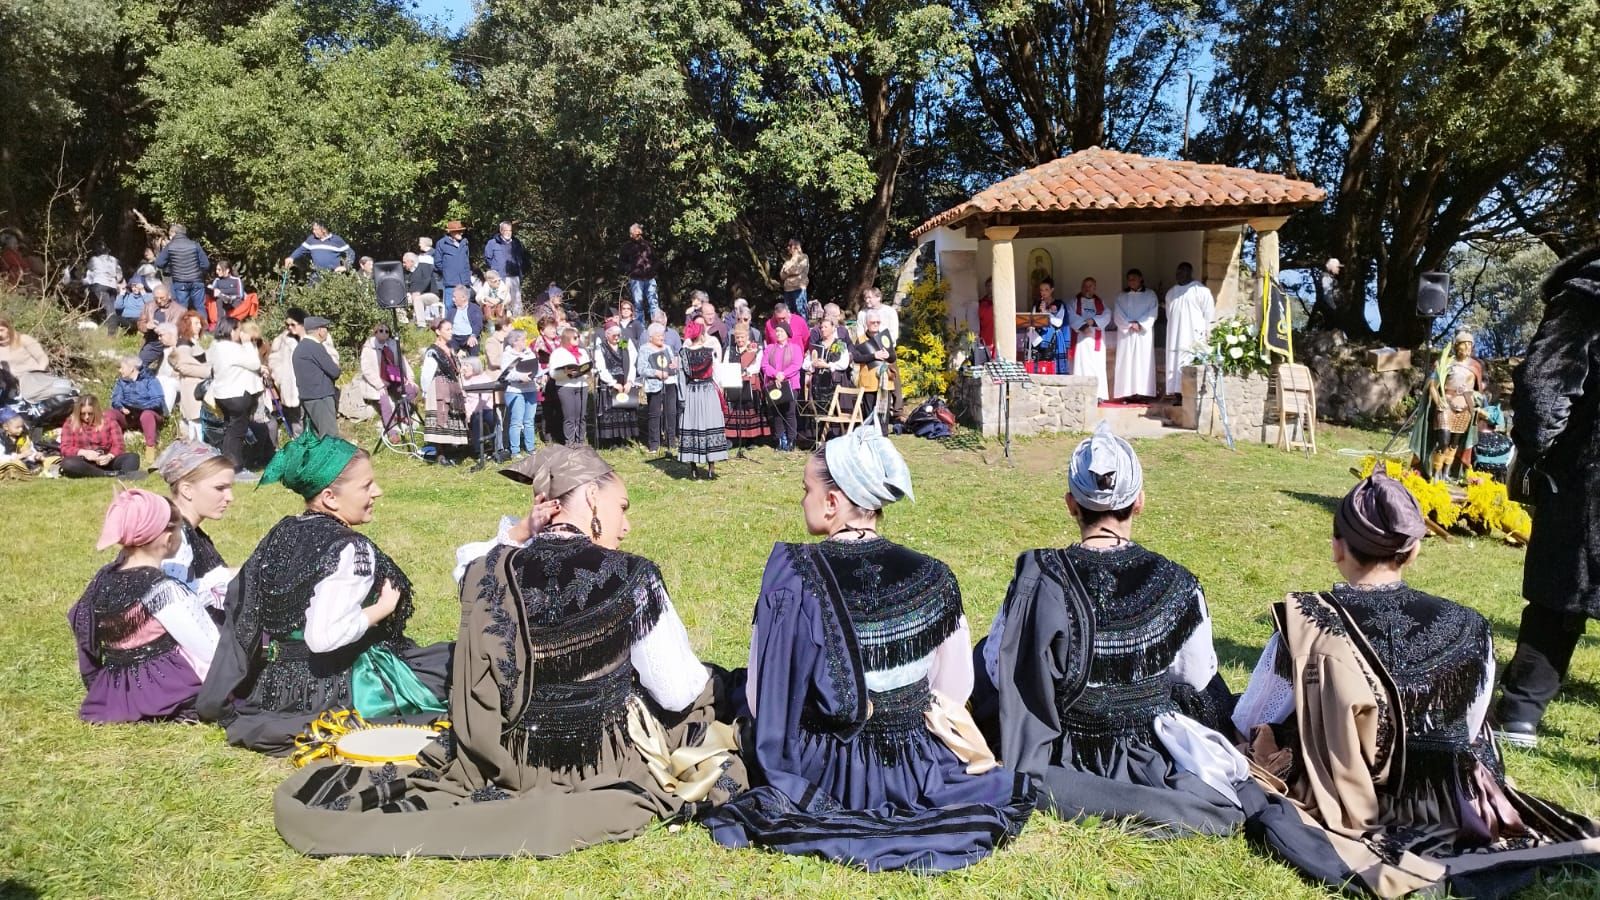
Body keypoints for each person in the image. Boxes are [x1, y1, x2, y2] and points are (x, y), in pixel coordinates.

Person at [273, 445, 745, 856]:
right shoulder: (634, 575)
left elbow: (470, 560)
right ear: (593, 498)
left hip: (505, 758)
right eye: (622, 506)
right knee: (706, 693)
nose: (625, 524)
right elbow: (678, 692)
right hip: (601, 760)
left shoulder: (485, 572)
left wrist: (519, 531)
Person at [1234, 474, 1600, 898]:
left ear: (1337, 547)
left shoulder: (1307, 625)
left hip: (1357, 798)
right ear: (1413, 550)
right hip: (1460, 801)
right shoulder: (1473, 625)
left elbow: (1251, 717)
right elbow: (1473, 722)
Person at [705, 426, 1033, 870]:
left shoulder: (793, 578)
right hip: (915, 763)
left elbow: (765, 701)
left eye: (807, 489)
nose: (802, 499)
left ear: (834, 503)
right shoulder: (934, 575)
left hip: (825, 767)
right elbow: (954, 691)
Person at [972, 423, 1249, 835]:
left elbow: (999, 669)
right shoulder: (1178, 581)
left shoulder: (1038, 576)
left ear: (1070, 504)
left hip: (1060, 744)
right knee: (1214, 691)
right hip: (1147, 750)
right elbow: (1194, 676)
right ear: (1139, 502)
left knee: (980, 655)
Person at [198, 433, 450, 754]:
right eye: (367, 486)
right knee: (452, 673)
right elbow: (324, 638)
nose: (378, 492)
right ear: (330, 498)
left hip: (276, 686)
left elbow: (242, 605)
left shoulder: (284, 531)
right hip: (335, 687)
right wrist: (382, 608)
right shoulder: (351, 549)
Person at [1494, 247, 1600, 748]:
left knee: (1559, 593)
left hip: (1586, 473)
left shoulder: (1585, 295)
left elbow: (1544, 385)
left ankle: (1520, 715)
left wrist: (1540, 454)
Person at [70, 489, 220, 724]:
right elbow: (205, 647)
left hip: (114, 688)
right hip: (164, 686)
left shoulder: (103, 578)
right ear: (167, 538)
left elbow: (79, 620)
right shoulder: (161, 588)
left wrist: (94, 678)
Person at [156, 442, 236, 605]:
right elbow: (179, 602)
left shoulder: (188, 530)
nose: (230, 497)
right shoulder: (172, 538)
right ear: (187, 490)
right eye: (220, 488)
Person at [1410, 331, 1485, 481]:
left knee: (1454, 443)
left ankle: (1446, 473)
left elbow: (1478, 392)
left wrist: (1476, 402)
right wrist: (1439, 402)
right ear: (1457, 346)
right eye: (1465, 344)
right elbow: (1432, 386)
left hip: (1465, 409)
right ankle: (1435, 472)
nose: (1468, 347)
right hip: (1445, 406)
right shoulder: (1445, 363)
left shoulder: (1475, 366)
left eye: (1470, 344)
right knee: (1443, 441)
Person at [210, 319, 267, 479]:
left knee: (230, 429)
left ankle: (227, 466)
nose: (241, 333)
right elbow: (255, 363)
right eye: (238, 330)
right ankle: (236, 468)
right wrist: (248, 343)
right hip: (237, 395)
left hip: (223, 395)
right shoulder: (231, 348)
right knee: (237, 432)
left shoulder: (216, 346)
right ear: (231, 331)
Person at [678, 321, 728, 479]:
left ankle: (693, 467)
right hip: (708, 392)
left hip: (692, 391)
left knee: (692, 425)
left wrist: (682, 398)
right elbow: (717, 373)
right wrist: (721, 388)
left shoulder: (683, 353)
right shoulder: (710, 351)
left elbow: (681, 378)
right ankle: (711, 467)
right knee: (710, 424)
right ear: (701, 334)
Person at [59, 395, 145, 480]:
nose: (86, 417)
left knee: (132, 457)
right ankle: (107, 474)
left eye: (90, 413)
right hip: (84, 462)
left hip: (107, 460)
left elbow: (119, 445)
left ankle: (125, 475)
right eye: (83, 414)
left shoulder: (109, 421)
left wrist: (109, 456)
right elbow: (65, 448)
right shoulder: (70, 423)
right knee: (68, 463)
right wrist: (84, 453)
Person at [1163, 262, 1215, 402]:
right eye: (1177, 272)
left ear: (1190, 272)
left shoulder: (1201, 291)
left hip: (1193, 335)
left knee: (1190, 361)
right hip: (1175, 334)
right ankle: (1177, 394)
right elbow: (1169, 314)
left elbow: (1209, 315)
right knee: (1175, 362)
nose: (1179, 275)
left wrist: (1207, 334)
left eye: (1183, 272)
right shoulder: (1171, 293)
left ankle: (1190, 394)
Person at [420, 320, 469, 464]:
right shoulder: (433, 351)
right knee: (441, 418)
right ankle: (440, 454)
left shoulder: (450, 349)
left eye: (451, 329)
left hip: (452, 386)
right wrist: (425, 391)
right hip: (439, 386)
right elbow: (427, 374)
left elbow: (456, 370)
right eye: (447, 329)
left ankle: (452, 450)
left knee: (453, 417)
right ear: (438, 331)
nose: (450, 332)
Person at [357, 323, 417, 441]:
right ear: (375, 332)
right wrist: (379, 384)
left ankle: (402, 414)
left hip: (394, 378)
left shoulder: (393, 345)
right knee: (384, 400)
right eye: (381, 330)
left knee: (412, 390)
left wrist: (410, 378)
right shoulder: (369, 348)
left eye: (386, 331)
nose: (384, 333)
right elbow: (367, 369)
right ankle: (392, 431)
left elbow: (402, 361)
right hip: (377, 381)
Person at [109, 355, 167, 467]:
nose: (120, 370)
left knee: (146, 415)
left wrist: (139, 406)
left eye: (122, 367)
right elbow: (116, 399)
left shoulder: (150, 380)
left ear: (132, 368)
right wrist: (121, 407)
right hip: (129, 415)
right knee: (109, 414)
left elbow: (157, 401)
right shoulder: (121, 382)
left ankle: (150, 449)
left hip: (149, 414)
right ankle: (113, 446)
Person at [1112, 269, 1158, 401]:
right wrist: (1129, 324)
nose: (1131, 281)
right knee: (1126, 362)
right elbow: (1118, 313)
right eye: (1129, 279)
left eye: (1134, 278)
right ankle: (1127, 393)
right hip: (1127, 333)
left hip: (1143, 333)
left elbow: (1153, 312)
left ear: (1140, 279)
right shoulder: (1121, 296)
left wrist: (1141, 324)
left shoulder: (1150, 295)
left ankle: (1142, 393)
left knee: (1142, 362)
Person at [292, 316, 342, 439]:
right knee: (329, 437)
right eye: (326, 328)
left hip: (309, 397)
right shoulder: (314, 347)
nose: (327, 332)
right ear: (320, 330)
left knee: (317, 436)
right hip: (320, 397)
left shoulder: (301, 347)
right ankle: (332, 459)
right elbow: (334, 371)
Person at [723, 324, 769, 446]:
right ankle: (733, 438)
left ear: (747, 336)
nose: (740, 340)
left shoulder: (755, 348)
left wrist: (745, 371)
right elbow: (726, 364)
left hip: (750, 381)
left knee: (749, 409)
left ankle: (751, 439)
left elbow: (757, 367)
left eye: (742, 337)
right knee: (734, 409)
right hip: (733, 382)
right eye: (737, 337)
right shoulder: (730, 350)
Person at [637, 323, 680, 454]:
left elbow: (674, 365)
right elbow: (641, 369)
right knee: (654, 414)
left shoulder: (667, 348)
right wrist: (656, 373)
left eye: (663, 335)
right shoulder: (645, 349)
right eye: (659, 335)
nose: (662, 337)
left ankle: (671, 441)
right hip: (654, 385)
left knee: (671, 413)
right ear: (651, 337)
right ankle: (654, 444)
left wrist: (674, 366)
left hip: (670, 383)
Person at [595, 323, 639, 446]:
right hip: (609, 383)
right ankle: (610, 442)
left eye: (619, 335)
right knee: (611, 411)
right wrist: (612, 383)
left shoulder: (623, 343)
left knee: (624, 410)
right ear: (607, 335)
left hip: (624, 380)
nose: (617, 338)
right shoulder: (601, 347)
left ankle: (622, 439)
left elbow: (632, 361)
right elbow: (601, 367)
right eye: (614, 335)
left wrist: (630, 380)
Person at [170, 312, 211, 441]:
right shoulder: (184, 344)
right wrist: (207, 372)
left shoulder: (193, 343)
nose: (199, 326)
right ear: (187, 325)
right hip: (192, 389)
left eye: (200, 323)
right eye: (196, 323)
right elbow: (183, 367)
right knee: (197, 427)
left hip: (197, 389)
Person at [500, 328, 541, 457]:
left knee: (529, 420)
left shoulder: (530, 353)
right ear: (515, 341)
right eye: (523, 339)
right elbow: (506, 374)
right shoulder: (507, 355)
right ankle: (515, 450)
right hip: (515, 391)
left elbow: (537, 368)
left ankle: (530, 447)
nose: (525, 342)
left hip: (530, 389)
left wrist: (540, 376)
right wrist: (520, 376)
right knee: (516, 421)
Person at [761, 322, 802, 451]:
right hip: (774, 384)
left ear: (787, 334)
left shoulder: (795, 348)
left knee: (789, 412)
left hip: (790, 384)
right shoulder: (770, 348)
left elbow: (796, 364)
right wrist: (775, 374)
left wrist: (783, 375)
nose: (778, 334)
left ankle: (791, 440)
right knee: (777, 413)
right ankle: (780, 440)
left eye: (781, 331)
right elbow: (764, 365)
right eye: (777, 331)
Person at [548, 325, 591, 447]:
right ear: (567, 339)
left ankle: (580, 441)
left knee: (581, 415)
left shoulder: (582, 352)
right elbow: (553, 373)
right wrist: (565, 373)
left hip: (582, 385)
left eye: (578, 337)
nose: (578, 339)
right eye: (575, 338)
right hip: (565, 386)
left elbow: (587, 368)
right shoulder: (558, 353)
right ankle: (570, 442)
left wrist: (586, 372)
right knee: (570, 416)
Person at [850, 308, 896, 421]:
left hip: (885, 382)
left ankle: (883, 437)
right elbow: (856, 358)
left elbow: (893, 358)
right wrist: (873, 356)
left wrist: (887, 355)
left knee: (883, 415)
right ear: (867, 323)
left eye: (878, 322)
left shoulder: (885, 337)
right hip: (868, 383)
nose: (876, 324)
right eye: (873, 322)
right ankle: (869, 437)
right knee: (870, 415)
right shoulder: (860, 339)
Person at [1067, 279, 1110, 399]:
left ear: (1094, 288)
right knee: (1081, 365)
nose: (1087, 288)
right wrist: (1083, 326)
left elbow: (1107, 315)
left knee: (1097, 366)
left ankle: (1098, 395)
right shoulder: (1075, 302)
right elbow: (1070, 314)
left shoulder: (1100, 302)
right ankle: (1079, 394)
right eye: (1085, 286)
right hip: (1081, 339)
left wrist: (1093, 321)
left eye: (1090, 286)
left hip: (1096, 341)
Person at [154, 224, 210, 314]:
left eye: (170, 235)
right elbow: (206, 264)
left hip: (180, 282)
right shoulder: (195, 245)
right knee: (200, 307)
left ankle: (182, 327)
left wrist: (170, 267)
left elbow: (159, 263)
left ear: (173, 233)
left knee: (181, 308)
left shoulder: (170, 246)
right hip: (197, 280)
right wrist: (198, 272)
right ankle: (203, 327)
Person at [269, 309, 306, 436]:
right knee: (296, 421)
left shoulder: (314, 336)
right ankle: (300, 449)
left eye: (293, 324)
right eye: (287, 325)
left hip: (310, 386)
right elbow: (273, 360)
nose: (290, 328)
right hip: (291, 387)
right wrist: (280, 377)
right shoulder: (281, 340)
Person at [482, 221, 528, 315]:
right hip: (501, 278)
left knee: (516, 303)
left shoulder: (516, 243)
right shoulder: (492, 243)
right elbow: (488, 258)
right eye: (506, 230)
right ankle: (502, 324)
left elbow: (521, 258)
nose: (508, 232)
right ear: (501, 231)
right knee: (502, 303)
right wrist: (497, 269)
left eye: (510, 230)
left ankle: (518, 323)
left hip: (515, 277)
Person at [618, 223, 660, 321]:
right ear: (631, 234)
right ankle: (640, 329)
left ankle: (657, 325)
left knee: (654, 303)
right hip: (636, 279)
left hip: (650, 278)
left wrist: (653, 270)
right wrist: (630, 269)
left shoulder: (647, 245)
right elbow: (621, 263)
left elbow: (656, 260)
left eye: (640, 234)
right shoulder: (627, 247)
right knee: (638, 304)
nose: (639, 236)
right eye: (637, 234)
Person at [284, 222, 354, 276]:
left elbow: (351, 253)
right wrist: (291, 257)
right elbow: (300, 250)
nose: (313, 231)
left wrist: (346, 266)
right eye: (313, 229)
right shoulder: (311, 239)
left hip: (333, 276)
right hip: (316, 276)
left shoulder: (336, 240)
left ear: (323, 229)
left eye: (315, 229)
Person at [0, 407, 50, 477]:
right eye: (17, 427)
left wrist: (35, 455)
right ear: (5, 427)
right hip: (7, 462)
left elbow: (29, 450)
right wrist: (20, 456)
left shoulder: (23, 437)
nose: (21, 429)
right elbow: (1, 458)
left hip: (23, 461)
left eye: (22, 427)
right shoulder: (1, 439)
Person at [83, 243, 123, 321]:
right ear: (107, 251)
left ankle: (112, 329)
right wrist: (115, 280)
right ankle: (110, 323)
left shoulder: (94, 259)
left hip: (100, 284)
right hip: (112, 285)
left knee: (108, 307)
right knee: (111, 306)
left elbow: (88, 272)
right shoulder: (114, 259)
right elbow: (120, 275)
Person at [436, 221, 472, 300]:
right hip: (450, 284)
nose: (461, 233)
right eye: (458, 231)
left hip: (465, 283)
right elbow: (438, 263)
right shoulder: (442, 243)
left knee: (465, 306)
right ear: (451, 232)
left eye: (461, 231)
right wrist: (448, 272)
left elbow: (467, 261)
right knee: (450, 307)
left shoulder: (465, 243)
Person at [1036, 295, 1072, 373]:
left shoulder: (1059, 304)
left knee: (1054, 365)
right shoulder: (1037, 304)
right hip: (1040, 338)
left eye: (1046, 290)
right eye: (1041, 290)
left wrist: (1045, 312)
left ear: (1051, 290)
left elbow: (1058, 322)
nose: (1043, 293)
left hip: (1055, 339)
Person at [403, 252, 437, 331]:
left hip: (431, 295)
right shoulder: (407, 273)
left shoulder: (425, 267)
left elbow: (427, 280)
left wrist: (418, 292)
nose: (403, 264)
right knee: (399, 300)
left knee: (418, 298)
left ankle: (421, 325)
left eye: (404, 262)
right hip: (413, 296)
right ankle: (403, 323)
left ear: (411, 261)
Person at [446, 285, 483, 358]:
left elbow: (478, 324)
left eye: (454, 297)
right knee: (448, 351)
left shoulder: (474, 308)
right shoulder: (452, 309)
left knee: (474, 345)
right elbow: (447, 323)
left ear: (463, 298)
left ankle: (472, 363)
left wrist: (473, 335)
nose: (453, 299)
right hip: (454, 337)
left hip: (468, 336)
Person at [210, 259, 246, 329]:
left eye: (219, 270)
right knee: (219, 299)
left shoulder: (236, 280)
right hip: (222, 302)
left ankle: (234, 326)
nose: (217, 272)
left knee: (236, 300)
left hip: (234, 301)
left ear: (227, 270)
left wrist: (229, 296)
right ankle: (221, 326)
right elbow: (213, 293)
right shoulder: (217, 281)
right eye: (217, 269)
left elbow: (241, 295)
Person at [780, 237, 809, 309]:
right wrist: (791, 271)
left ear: (796, 246)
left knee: (800, 313)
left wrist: (787, 271)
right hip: (787, 290)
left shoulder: (804, 257)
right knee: (788, 314)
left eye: (790, 245)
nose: (788, 248)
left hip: (798, 289)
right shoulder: (788, 261)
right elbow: (782, 275)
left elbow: (797, 270)